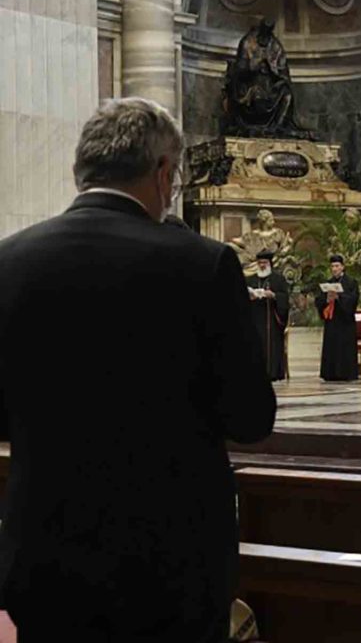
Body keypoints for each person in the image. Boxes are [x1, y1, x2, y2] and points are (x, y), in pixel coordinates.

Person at [0, 97, 277, 642]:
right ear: (163, 172)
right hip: (172, 563)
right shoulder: (203, 263)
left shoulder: (8, 262)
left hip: (46, 555)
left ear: (81, 169)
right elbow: (250, 418)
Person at [247, 250, 290, 382]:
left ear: (270, 263)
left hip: (272, 320)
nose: (262, 265)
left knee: (272, 343)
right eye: (259, 263)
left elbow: (285, 299)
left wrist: (274, 296)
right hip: (255, 318)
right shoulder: (250, 279)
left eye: (264, 263)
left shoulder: (278, 279)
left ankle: (273, 372)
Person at [315, 255, 360, 382]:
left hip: (345, 322)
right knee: (331, 348)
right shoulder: (328, 282)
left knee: (344, 348)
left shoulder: (351, 282)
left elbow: (353, 300)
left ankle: (346, 373)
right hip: (332, 322)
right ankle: (330, 374)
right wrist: (326, 299)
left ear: (342, 267)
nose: (334, 269)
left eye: (337, 266)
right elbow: (319, 300)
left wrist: (339, 297)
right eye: (332, 266)